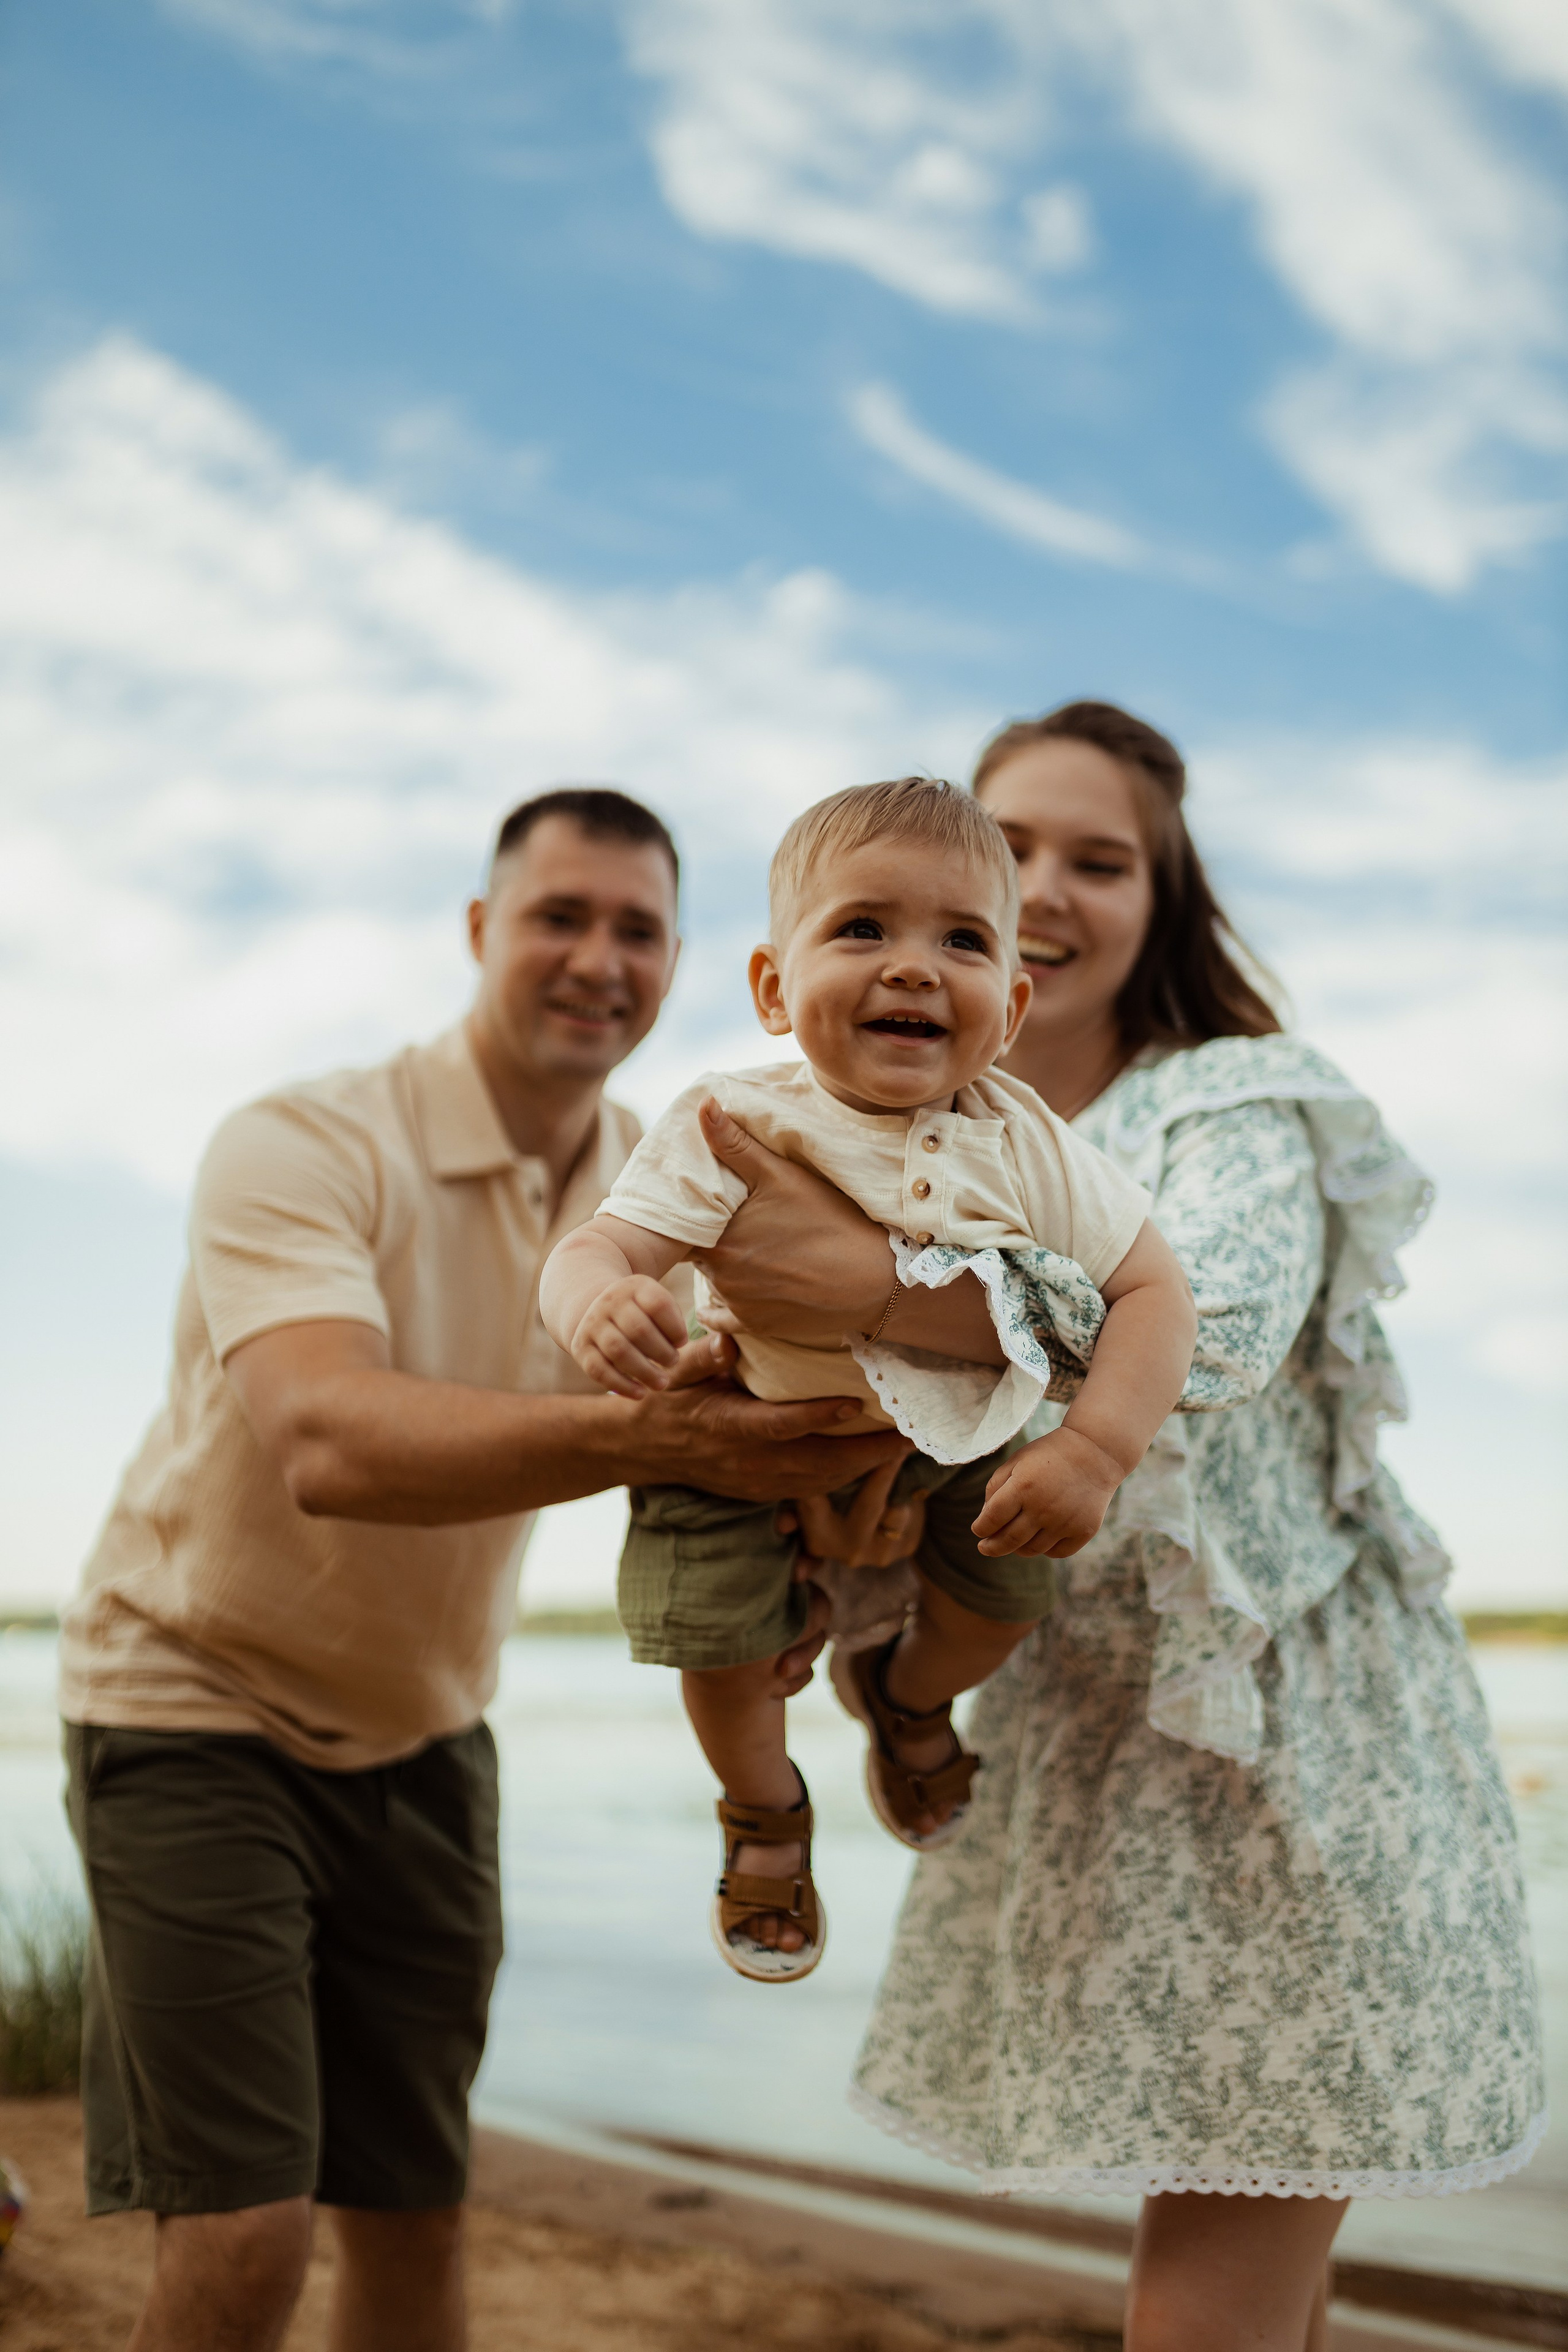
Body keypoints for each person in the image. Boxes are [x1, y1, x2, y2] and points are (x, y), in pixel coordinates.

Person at [56, 784, 1009, 2352]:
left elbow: (763, 1420)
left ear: (690, 962)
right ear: (483, 932)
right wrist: (674, 1450)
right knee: (243, 2238)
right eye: (559, 916)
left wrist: (805, 1579)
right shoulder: (301, 1141)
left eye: (637, 929)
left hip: (434, 1737)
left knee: (420, 2220)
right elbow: (327, 1442)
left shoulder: (682, 1172)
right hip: (190, 1711)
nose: (597, 958)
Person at [837, 703, 1547, 2352]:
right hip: (1092, 1744)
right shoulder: (910, 1156)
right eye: (1011, 847)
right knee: (1249, 2296)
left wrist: (869, 1295)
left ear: (1168, 900)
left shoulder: (1233, 1097)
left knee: (1206, 2304)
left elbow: (1214, 1325)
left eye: (1107, 859)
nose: (1056, 887)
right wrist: (891, 1685)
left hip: (1296, 1735)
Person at [540, 778, 1196, 1982]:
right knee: (712, 1640)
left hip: (963, 1441)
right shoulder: (730, 1123)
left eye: (960, 939)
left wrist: (1094, 1448)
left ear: (1007, 1006)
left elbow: (1154, 1293)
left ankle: (899, 1699)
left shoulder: (1029, 1141)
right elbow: (599, 1248)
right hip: (743, 1427)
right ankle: (763, 1810)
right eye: (861, 929)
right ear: (773, 991)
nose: (910, 968)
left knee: (1000, 1608)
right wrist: (601, 1302)